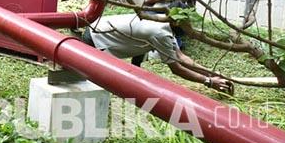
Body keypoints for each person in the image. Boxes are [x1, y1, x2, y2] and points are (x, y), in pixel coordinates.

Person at [82, 13, 234, 93]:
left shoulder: (163, 23)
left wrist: (211, 74)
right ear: (177, 22)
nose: (191, 28)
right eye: (188, 24)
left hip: (98, 27)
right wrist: (208, 82)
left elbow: (181, 57)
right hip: (96, 37)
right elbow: (177, 69)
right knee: (101, 83)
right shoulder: (160, 34)